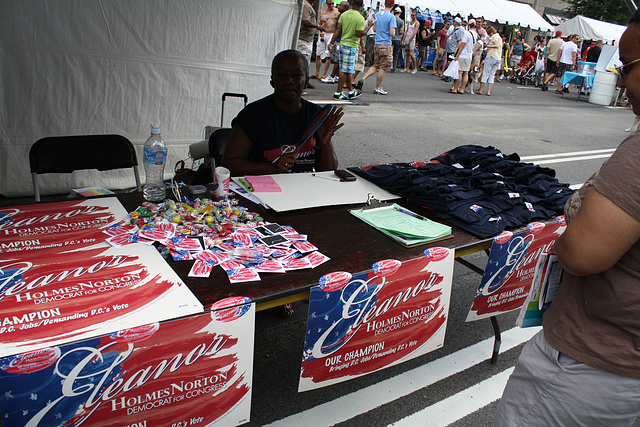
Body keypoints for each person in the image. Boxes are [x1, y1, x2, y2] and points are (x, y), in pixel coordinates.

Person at [493, 11, 640, 425]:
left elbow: (581, 253)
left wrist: (566, 233)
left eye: (627, 66)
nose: (621, 80)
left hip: (586, 368)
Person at [223, 50, 343, 176]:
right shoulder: (252, 115)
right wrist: (272, 168)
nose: (289, 80)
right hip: (261, 191)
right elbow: (229, 165)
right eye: (281, 75)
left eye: (296, 75)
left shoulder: (316, 116)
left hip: (305, 191)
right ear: (272, 81)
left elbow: (328, 172)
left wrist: (326, 143)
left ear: (307, 81)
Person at [356, 0, 396, 95]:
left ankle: (363, 78)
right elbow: (392, 33)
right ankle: (377, 87)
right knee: (383, 67)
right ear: (392, 5)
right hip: (386, 44)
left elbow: (374, 29)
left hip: (377, 43)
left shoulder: (377, 14)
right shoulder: (391, 17)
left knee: (375, 64)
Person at [332, 0, 369, 99]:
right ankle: (338, 92)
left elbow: (338, 29)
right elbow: (359, 34)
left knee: (348, 70)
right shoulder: (360, 18)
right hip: (351, 46)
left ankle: (351, 91)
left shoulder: (344, 15)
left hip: (343, 44)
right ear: (361, 6)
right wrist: (368, 27)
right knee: (345, 70)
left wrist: (331, 42)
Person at [298, 0, 324, 89]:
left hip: (307, 40)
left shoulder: (308, 5)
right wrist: (317, 26)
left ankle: (304, 81)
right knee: (302, 62)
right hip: (303, 40)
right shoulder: (306, 5)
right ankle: (301, 83)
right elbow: (305, 21)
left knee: (305, 62)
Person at [314, 1, 340, 80]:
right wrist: (320, 24)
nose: (331, 5)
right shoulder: (323, 12)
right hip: (323, 33)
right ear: (326, 4)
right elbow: (319, 23)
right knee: (318, 53)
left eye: (333, 3)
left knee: (328, 54)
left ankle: (324, 73)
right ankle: (317, 72)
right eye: (330, 4)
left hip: (331, 33)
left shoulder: (337, 12)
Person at [476, 25, 502, 96]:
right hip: (498, 58)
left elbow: (496, 45)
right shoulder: (499, 37)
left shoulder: (494, 37)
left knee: (486, 73)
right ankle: (488, 91)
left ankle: (481, 90)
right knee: (492, 74)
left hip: (491, 56)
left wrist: (487, 46)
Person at [450, 19, 473, 94]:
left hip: (463, 55)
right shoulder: (472, 34)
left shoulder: (465, 34)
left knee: (460, 72)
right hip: (469, 56)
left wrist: (457, 55)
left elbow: (462, 45)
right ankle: (462, 89)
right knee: (466, 73)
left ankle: (455, 88)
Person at [443, 17, 464, 83]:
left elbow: (460, 40)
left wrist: (456, 49)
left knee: (451, 62)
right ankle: (448, 75)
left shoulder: (459, 30)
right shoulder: (454, 29)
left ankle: (450, 76)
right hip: (450, 48)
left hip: (453, 48)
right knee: (449, 61)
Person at [402, 9, 419, 74]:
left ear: (416, 15)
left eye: (413, 15)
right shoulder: (409, 23)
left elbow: (415, 33)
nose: (412, 16)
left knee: (411, 53)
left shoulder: (417, 23)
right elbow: (406, 31)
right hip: (407, 39)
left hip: (412, 39)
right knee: (407, 54)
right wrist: (404, 39)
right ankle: (407, 67)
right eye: (411, 15)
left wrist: (409, 40)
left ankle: (415, 67)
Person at [390, 7, 404, 73]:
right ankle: (394, 68)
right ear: (400, 13)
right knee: (395, 54)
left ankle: (386, 66)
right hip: (397, 39)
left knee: (389, 53)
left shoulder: (391, 19)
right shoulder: (401, 21)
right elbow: (402, 31)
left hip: (390, 38)